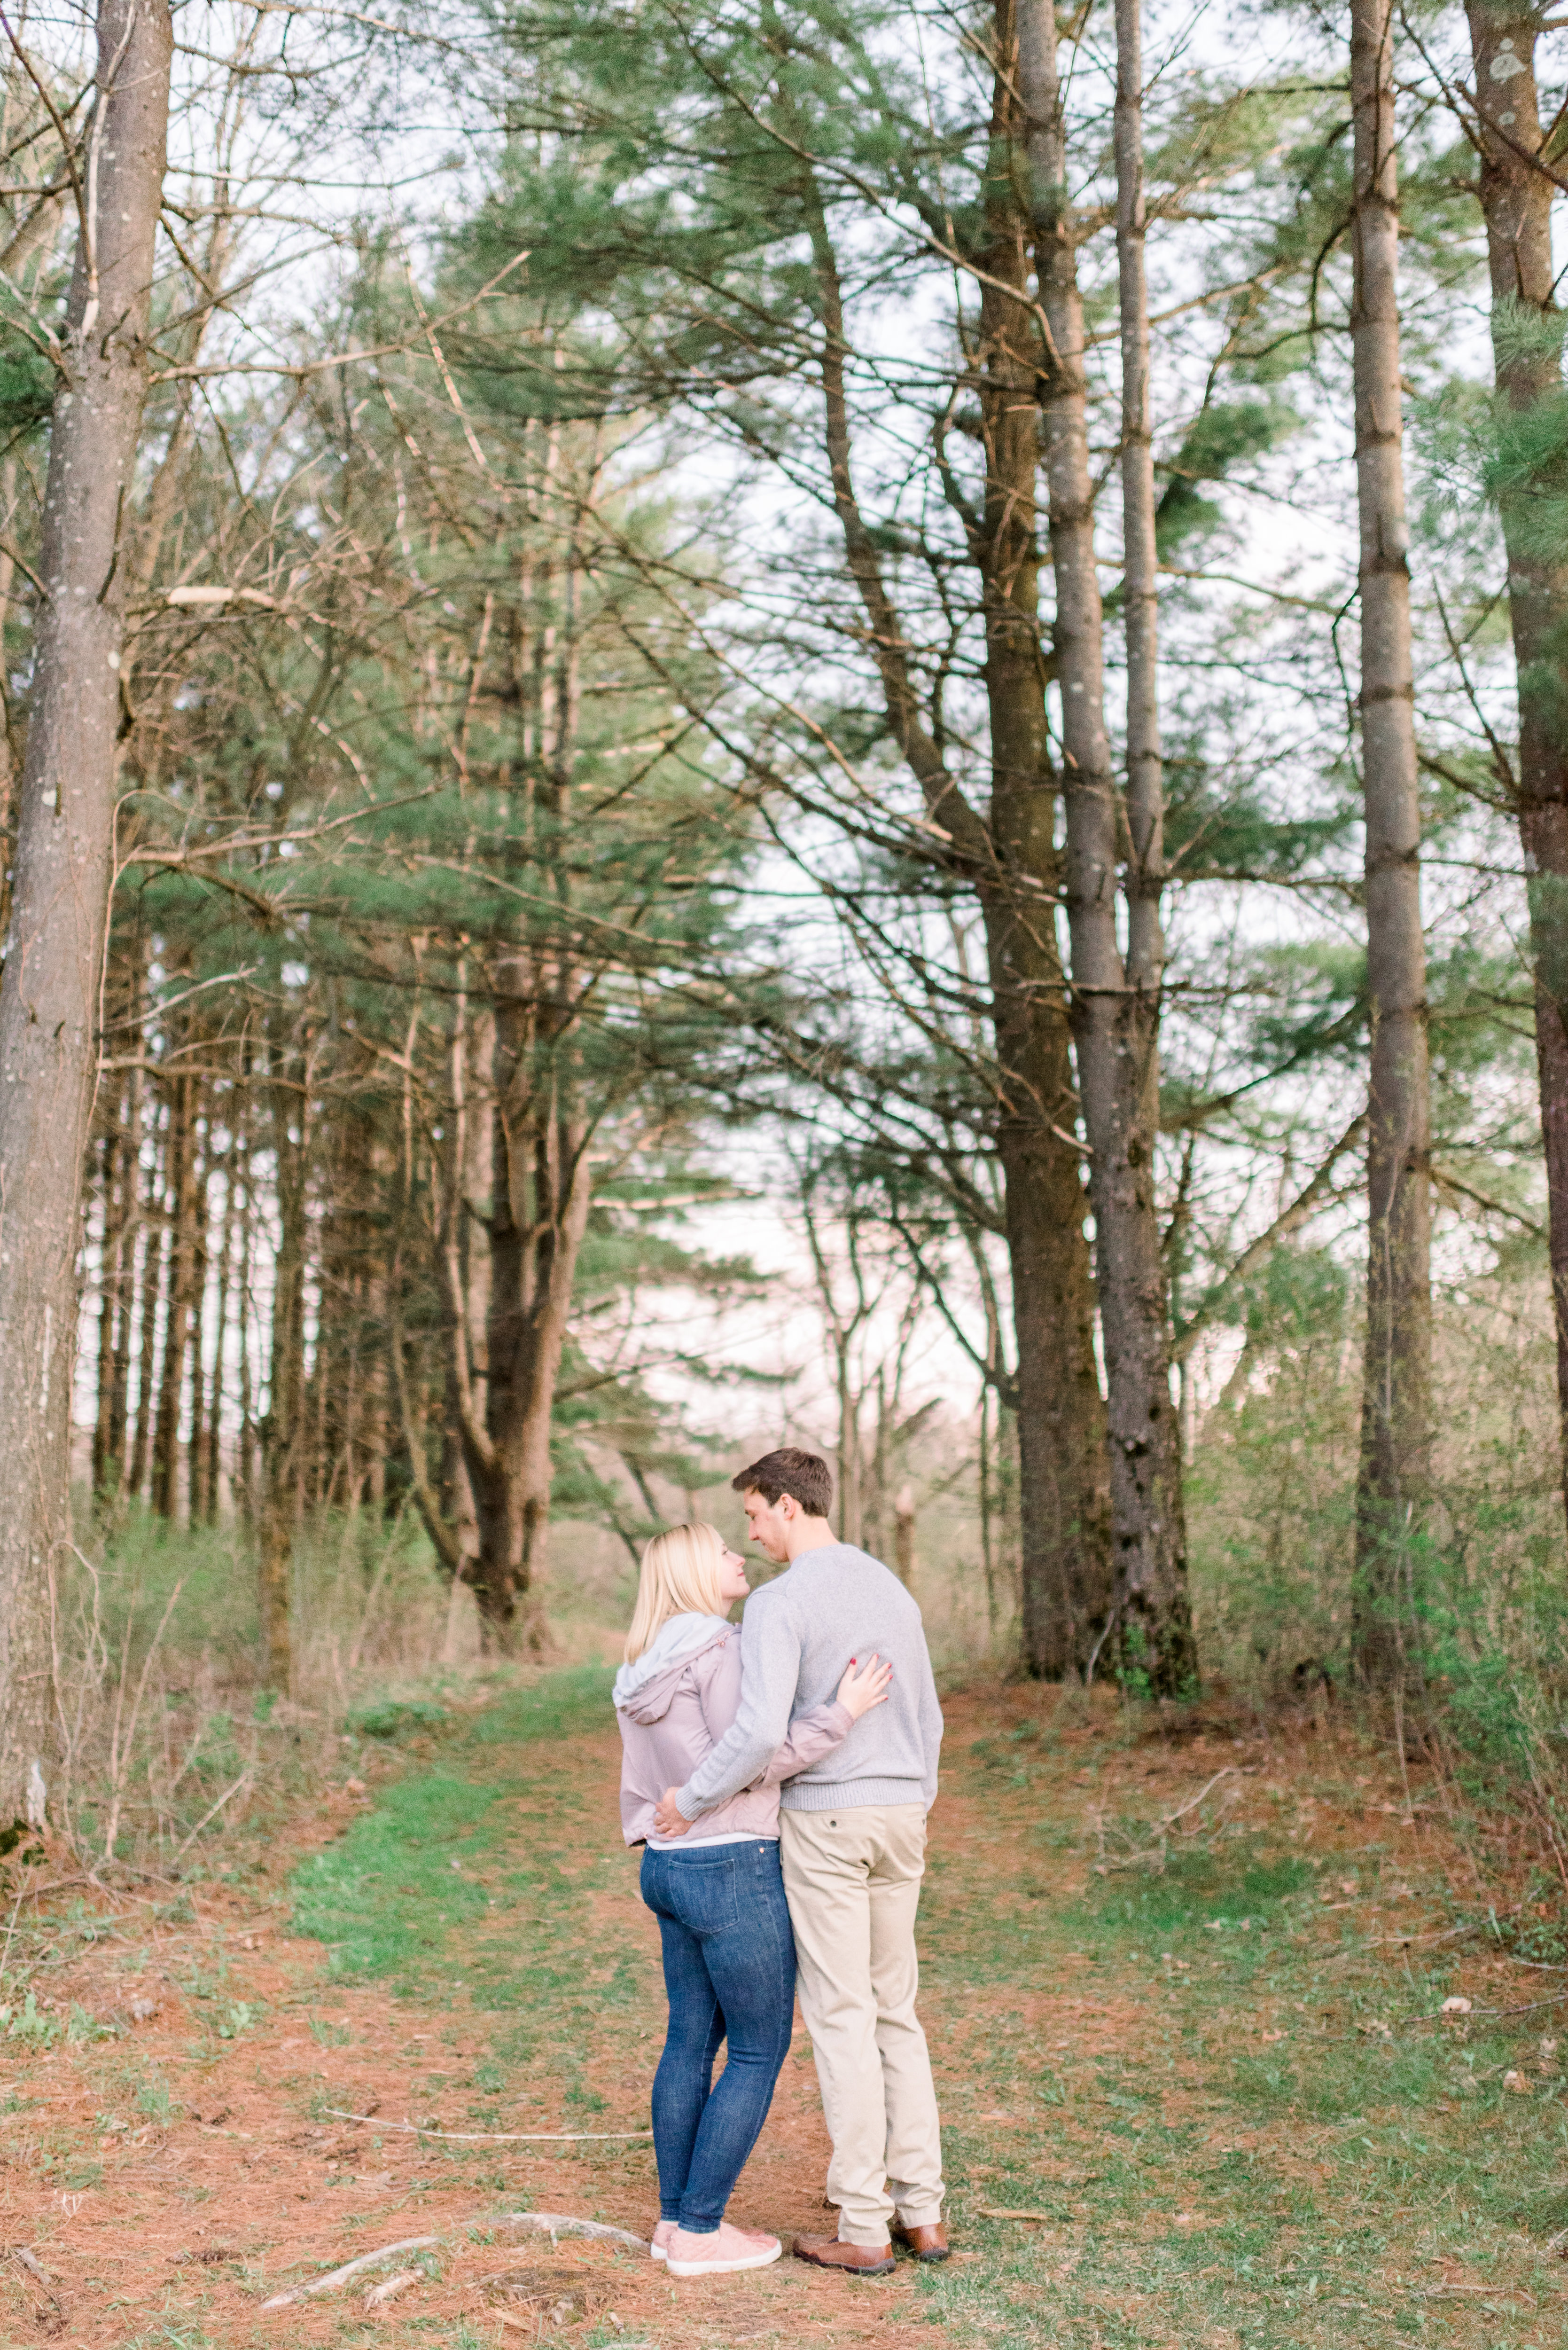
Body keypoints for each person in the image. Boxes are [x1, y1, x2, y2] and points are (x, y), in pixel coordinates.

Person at [654, 1448, 947, 2277]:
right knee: (898, 2010)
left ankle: (862, 2223)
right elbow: (927, 1717)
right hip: (900, 1815)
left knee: (841, 2015)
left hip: (828, 1817)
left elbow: (751, 1734)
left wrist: (694, 1799)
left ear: (787, 1504)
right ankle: (922, 2211)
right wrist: (914, 1799)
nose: (750, 1530)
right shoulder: (888, 1586)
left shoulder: (783, 1603)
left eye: (752, 1513)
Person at [615, 1520, 892, 2280]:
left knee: (688, 2044)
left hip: (667, 1867)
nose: (739, 1555)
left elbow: (658, 1780)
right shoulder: (717, 1648)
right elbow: (751, 1757)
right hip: (732, 1865)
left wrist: (668, 1814)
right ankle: (701, 2232)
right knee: (759, 2049)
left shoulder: (640, 1664)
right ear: (695, 1575)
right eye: (723, 1551)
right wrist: (844, 1710)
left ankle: (674, 2223)